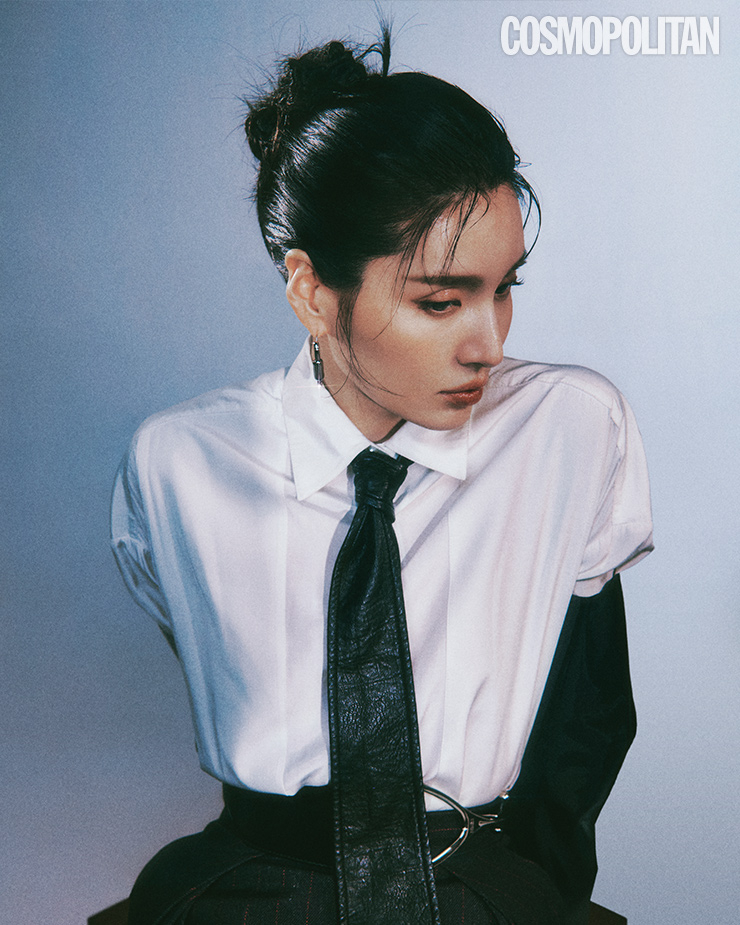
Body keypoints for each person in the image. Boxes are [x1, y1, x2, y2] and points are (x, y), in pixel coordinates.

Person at [111, 32, 653, 925]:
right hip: (251, 885)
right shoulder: (178, 462)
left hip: (479, 882)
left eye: (503, 288)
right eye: (440, 301)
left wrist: (534, 890)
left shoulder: (572, 427)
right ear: (312, 293)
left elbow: (589, 714)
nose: (488, 343)